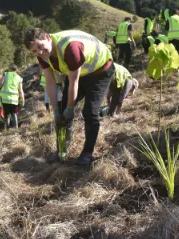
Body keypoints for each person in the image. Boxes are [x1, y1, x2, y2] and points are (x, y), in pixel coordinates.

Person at [24, 28, 114, 165]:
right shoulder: (42, 56)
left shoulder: (70, 48)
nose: (40, 53)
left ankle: (87, 153)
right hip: (79, 72)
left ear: (47, 37)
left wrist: (70, 108)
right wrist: (55, 111)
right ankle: (61, 152)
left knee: (90, 112)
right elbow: (50, 82)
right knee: (61, 110)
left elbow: (74, 82)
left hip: (100, 71)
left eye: (41, 47)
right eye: (35, 51)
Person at [0, 64, 24, 129]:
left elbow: (1, 83)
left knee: (6, 114)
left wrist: (1, 87)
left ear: (10, 69)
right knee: (14, 113)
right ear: (16, 70)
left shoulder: (6, 74)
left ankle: (7, 128)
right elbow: (21, 90)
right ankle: (16, 127)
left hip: (5, 98)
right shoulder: (19, 78)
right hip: (14, 99)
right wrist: (23, 99)